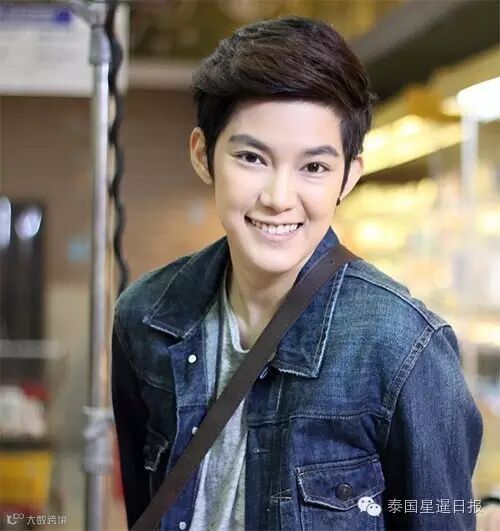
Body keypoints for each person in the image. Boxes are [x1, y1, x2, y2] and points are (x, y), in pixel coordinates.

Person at [112, 15, 483, 531]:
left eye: (314, 167)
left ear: (348, 176)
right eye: (251, 158)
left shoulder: (403, 348)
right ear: (203, 155)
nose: (279, 198)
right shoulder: (147, 316)